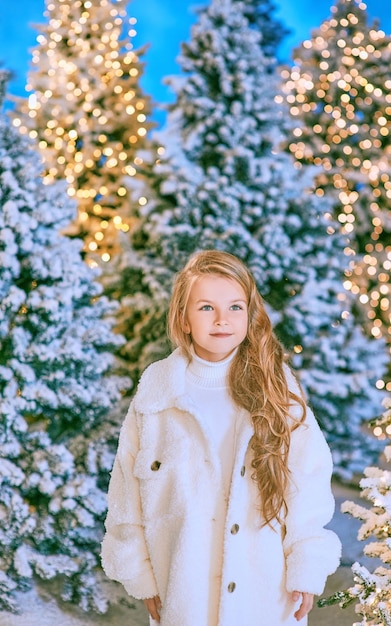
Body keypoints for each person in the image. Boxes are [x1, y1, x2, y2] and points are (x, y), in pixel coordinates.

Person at [101, 249, 341, 626]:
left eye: (234, 307)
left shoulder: (277, 389)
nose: (222, 320)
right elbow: (127, 494)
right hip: (184, 594)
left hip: (265, 594)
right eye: (206, 308)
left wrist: (306, 566)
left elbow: (308, 484)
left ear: (249, 314)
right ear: (183, 318)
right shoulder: (156, 396)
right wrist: (141, 577)